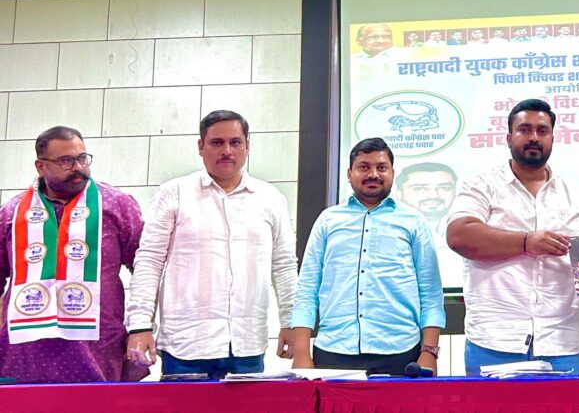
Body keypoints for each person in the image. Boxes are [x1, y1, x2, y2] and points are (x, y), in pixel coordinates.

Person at [125, 111, 298, 379]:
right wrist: (139, 326)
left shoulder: (270, 198)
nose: (227, 151)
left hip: (247, 345)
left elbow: (284, 266)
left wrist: (291, 323)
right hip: (186, 345)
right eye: (217, 142)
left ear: (247, 146)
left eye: (235, 142)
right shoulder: (174, 193)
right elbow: (149, 261)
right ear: (200, 146)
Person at [447, 99, 579, 375]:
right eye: (525, 129)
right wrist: (526, 243)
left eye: (542, 131)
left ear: (552, 138)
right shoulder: (481, 185)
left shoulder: (578, 195)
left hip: (566, 340)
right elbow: (459, 235)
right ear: (509, 137)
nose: (534, 137)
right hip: (495, 338)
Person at [0, 126, 148, 383]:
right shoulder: (10, 214)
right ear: (41, 166)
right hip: (24, 350)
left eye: (82, 158)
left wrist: (141, 327)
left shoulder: (117, 206)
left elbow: (146, 268)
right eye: (66, 161)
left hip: (98, 346)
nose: (78, 167)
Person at [291, 138, 444, 375]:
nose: (373, 174)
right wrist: (301, 353)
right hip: (334, 350)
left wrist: (429, 351)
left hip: (401, 351)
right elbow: (307, 289)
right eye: (364, 167)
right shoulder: (328, 220)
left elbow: (431, 292)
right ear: (349, 173)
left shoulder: (414, 221)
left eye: (381, 167)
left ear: (392, 173)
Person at [395, 162, 463, 288]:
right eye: (419, 188)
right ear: (398, 194)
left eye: (444, 188)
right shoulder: (385, 234)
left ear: (455, 192)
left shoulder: (473, 231)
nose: (433, 195)